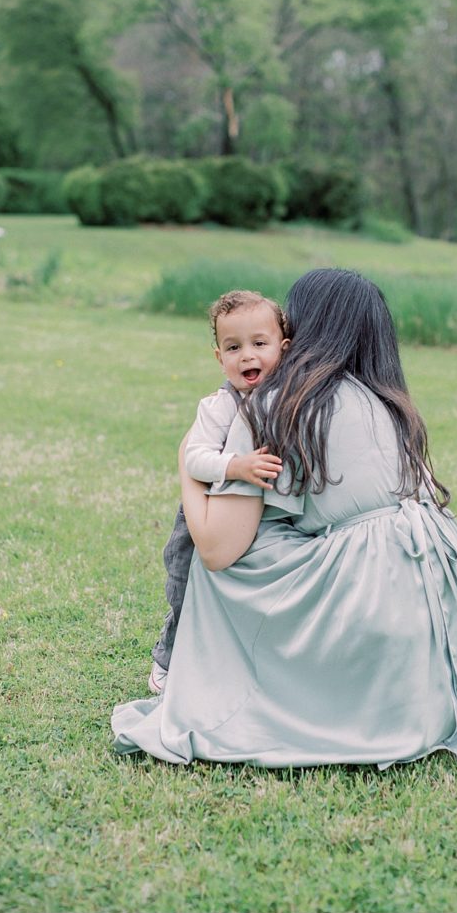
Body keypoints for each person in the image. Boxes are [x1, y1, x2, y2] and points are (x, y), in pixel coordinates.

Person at [112, 268, 457, 768]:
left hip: (374, 624)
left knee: (219, 544)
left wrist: (187, 461)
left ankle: (195, 673)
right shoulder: (388, 401)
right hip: (441, 651)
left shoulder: (278, 403)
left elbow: (216, 550)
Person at [148, 289, 289, 694]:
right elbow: (195, 459)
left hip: (251, 517)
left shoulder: (283, 397)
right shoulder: (219, 406)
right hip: (205, 514)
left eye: (259, 344)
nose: (247, 356)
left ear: (284, 347)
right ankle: (167, 659)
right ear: (218, 357)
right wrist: (236, 466)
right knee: (184, 586)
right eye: (233, 347)